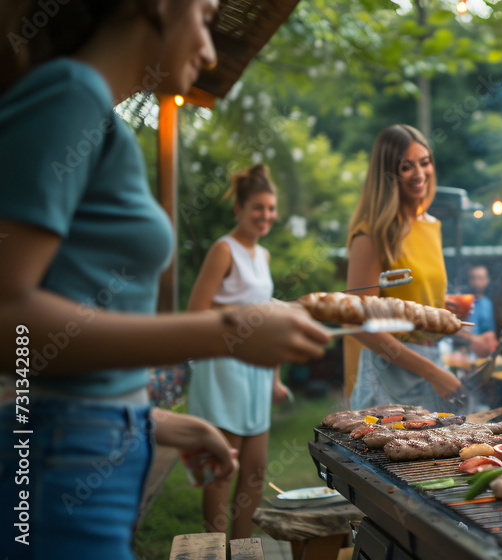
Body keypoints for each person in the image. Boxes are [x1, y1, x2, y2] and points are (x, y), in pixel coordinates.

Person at [0, 1, 330, 558]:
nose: (207, 49)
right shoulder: (68, 95)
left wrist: (156, 423)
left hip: (95, 439)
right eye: (203, 17)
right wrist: (226, 331)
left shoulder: (95, 115)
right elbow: (11, 325)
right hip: (62, 454)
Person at [186, 163, 289, 538]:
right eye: (258, 208)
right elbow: (196, 312)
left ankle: (241, 547)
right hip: (223, 368)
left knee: (256, 469)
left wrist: (276, 378)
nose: (266, 216)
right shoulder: (223, 250)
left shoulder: (263, 257)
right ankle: (215, 549)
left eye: (271, 208)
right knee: (221, 469)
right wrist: (253, 314)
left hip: (258, 372)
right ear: (239, 210)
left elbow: (269, 320)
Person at [346, 124, 464, 412]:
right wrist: (432, 372)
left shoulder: (431, 226)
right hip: (389, 373)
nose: (420, 173)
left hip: (431, 361)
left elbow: (413, 299)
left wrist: (444, 312)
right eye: (406, 166)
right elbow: (357, 322)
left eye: (425, 162)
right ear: (387, 175)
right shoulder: (372, 233)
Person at [451, 265, 498, 358]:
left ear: (487, 280)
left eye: (480, 278)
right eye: (473, 278)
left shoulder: (487, 303)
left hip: (481, 354)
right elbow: (453, 330)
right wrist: (473, 339)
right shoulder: (461, 301)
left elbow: (490, 331)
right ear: (469, 280)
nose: (476, 282)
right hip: (461, 352)